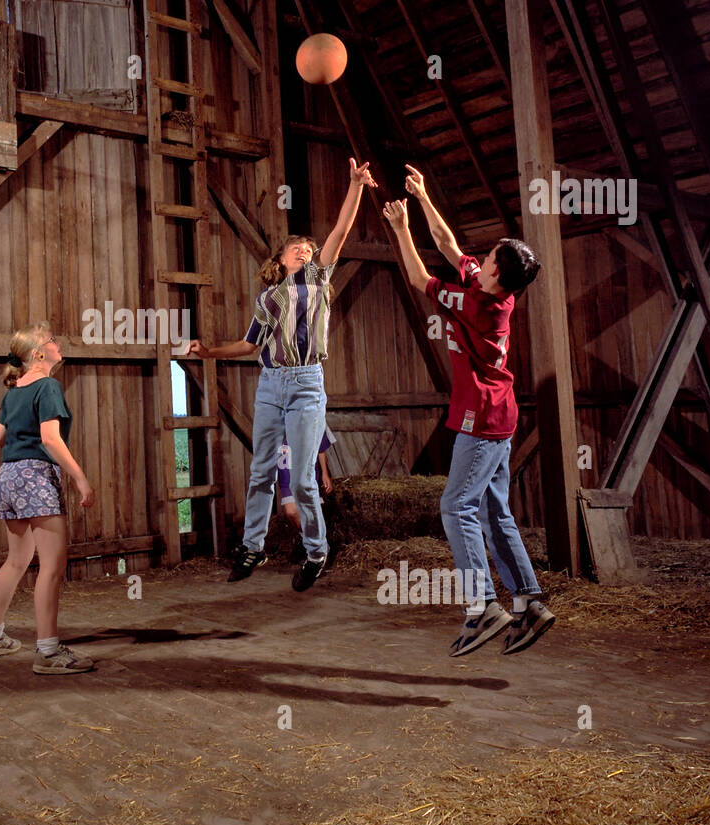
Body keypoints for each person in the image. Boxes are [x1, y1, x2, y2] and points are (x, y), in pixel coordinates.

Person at [383, 164, 555, 656]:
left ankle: (482, 608)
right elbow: (447, 243)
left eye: (490, 257)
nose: (479, 259)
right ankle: (528, 602)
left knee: (456, 506)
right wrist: (421, 194)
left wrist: (399, 227)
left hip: (482, 420)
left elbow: (419, 275)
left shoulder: (475, 304)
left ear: (497, 272)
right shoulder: (493, 289)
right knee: (494, 510)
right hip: (500, 414)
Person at [188, 159, 376, 591]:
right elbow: (249, 345)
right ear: (280, 258)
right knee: (260, 472)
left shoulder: (317, 279)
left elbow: (340, 232)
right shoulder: (269, 299)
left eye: (309, 248)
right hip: (270, 385)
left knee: (306, 481)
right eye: (297, 248)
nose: (305, 251)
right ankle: (252, 547)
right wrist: (209, 351)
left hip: (307, 383)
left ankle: (316, 551)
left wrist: (355, 186)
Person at [0, 324, 96, 674]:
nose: (59, 344)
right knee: (53, 566)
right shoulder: (48, 386)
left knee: (16, 562)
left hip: (9, 478)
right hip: (35, 479)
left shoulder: (14, 390)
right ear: (38, 354)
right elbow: (50, 438)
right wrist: (80, 478)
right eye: (52, 341)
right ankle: (47, 651)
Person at [278, 427, 336, 562]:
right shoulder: (275, 413)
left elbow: (321, 446)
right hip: (286, 465)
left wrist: (325, 473)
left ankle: (318, 549)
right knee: (291, 512)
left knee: (308, 512)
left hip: (306, 466)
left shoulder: (310, 409)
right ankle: (315, 543)